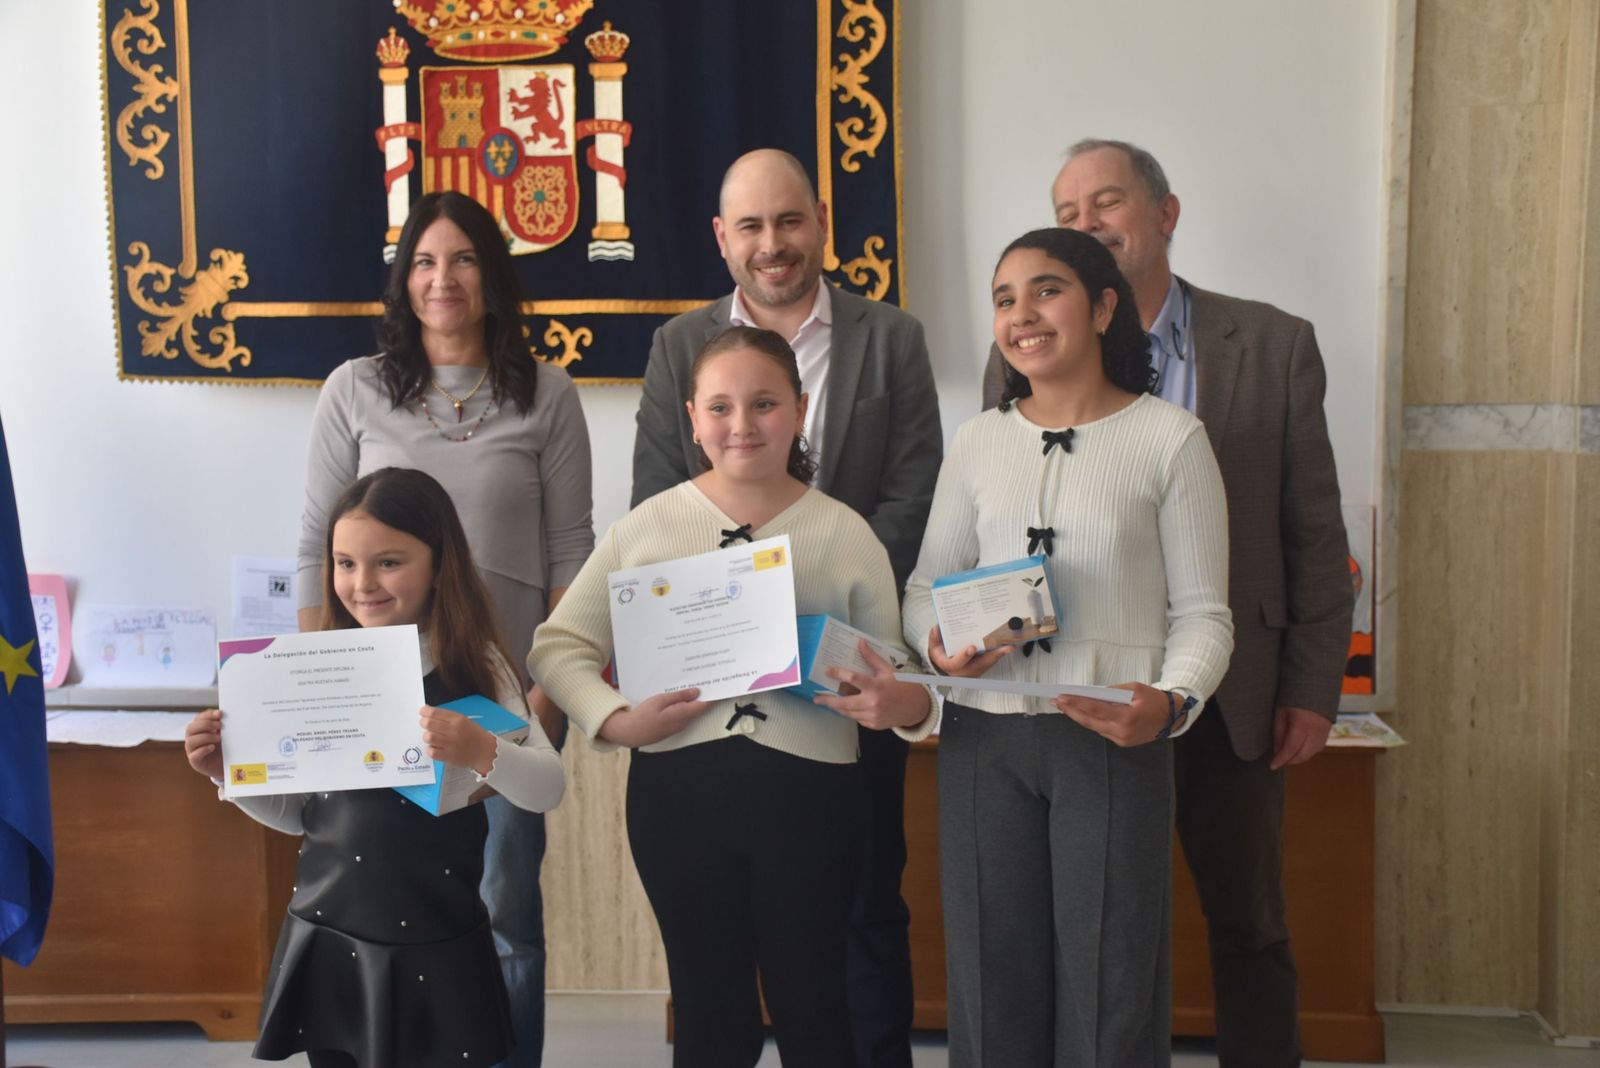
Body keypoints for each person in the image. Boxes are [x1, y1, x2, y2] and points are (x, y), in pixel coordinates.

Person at [981, 140, 1353, 1067]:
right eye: (1066, 212)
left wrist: (1313, 685)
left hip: (1236, 695)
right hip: (1087, 694)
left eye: (1106, 203)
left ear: (1166, 215)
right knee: (1099, 928)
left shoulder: (1271, 344)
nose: (1086, 225)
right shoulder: (1030, 349)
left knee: (1248, 922)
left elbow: (1313, 528)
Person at [533, 326, 935, 1068]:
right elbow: (559, 647)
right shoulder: (647, 528)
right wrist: (616, 721)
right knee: (711, 1014)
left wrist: (895, 701)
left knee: (817, 1009)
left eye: (763, 404)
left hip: (814, 803)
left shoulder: (846, 536)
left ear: (801, 409)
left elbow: (901, 666)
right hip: (680, 802)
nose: (742, 425)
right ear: (691, 417)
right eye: (720, 407)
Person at [630, 149, 939, 1068]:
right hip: (713, 693)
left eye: (790, 221)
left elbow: (912, 492)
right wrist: (747, 615)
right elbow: (656, 501)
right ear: (723, 238)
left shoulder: (893, 337)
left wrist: (813, 591)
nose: (774, 245)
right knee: (718, 939)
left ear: (821, 226)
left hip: (846, 674)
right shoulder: (678, 345)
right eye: (752, 227)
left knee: (866, 904)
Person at [905, 227, 1233, 1067]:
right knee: (989, 976)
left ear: (1104, 306)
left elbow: (1204, 613)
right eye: (1004, 299)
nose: (1022, 315)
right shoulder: (977, 442)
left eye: (1045, 291)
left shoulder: (1171, 439)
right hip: (985, 738)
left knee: (1112, 980)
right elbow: (923, 590)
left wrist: (1174, 702)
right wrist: (940, 651)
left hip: (1111, 737)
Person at [296, 191, 594, 1068]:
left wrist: (548, 693)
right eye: (424, 262)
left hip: (506, 688)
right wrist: (321, 686)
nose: (443, 279)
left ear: (493, 275)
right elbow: (319, 540)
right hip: (382, 696)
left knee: (503, 906)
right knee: (386, 895)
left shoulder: (548, 394)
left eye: (462, 259)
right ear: (402, 281)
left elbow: (570, 553)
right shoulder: (353, 389)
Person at [185, 467, 566, 1067]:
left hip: (438, 944)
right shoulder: (314, 667)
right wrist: (224, 774)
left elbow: (546, 789)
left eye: (389, 562)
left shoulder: (474, 664)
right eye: (344, 563)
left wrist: (480, 749)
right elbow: (301, 819)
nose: (362, 584)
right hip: (332, 940)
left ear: (440, 563)